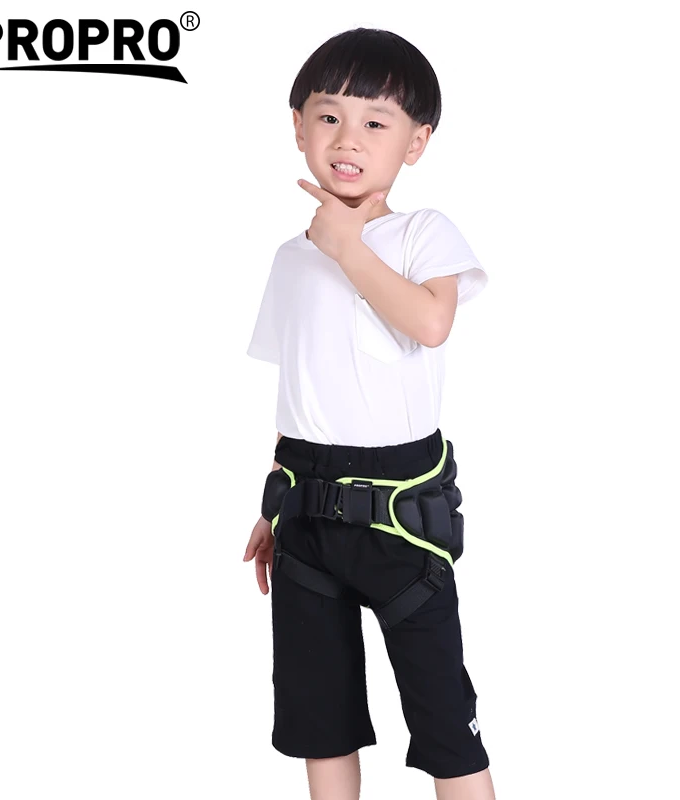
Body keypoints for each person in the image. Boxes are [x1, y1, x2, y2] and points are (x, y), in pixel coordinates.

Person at [243, 27, 497, 800]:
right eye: (328, 117)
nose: (347, 139)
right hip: (306, 513)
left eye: (376, 122)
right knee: (319, 721)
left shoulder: (422, 233)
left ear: (416, 142)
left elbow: (430, 322)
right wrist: (272, 505)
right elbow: (298, 393)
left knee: (445, 723)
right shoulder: (292, 257)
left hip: (400, 519)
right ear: (298, 126)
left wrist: (348, 246)